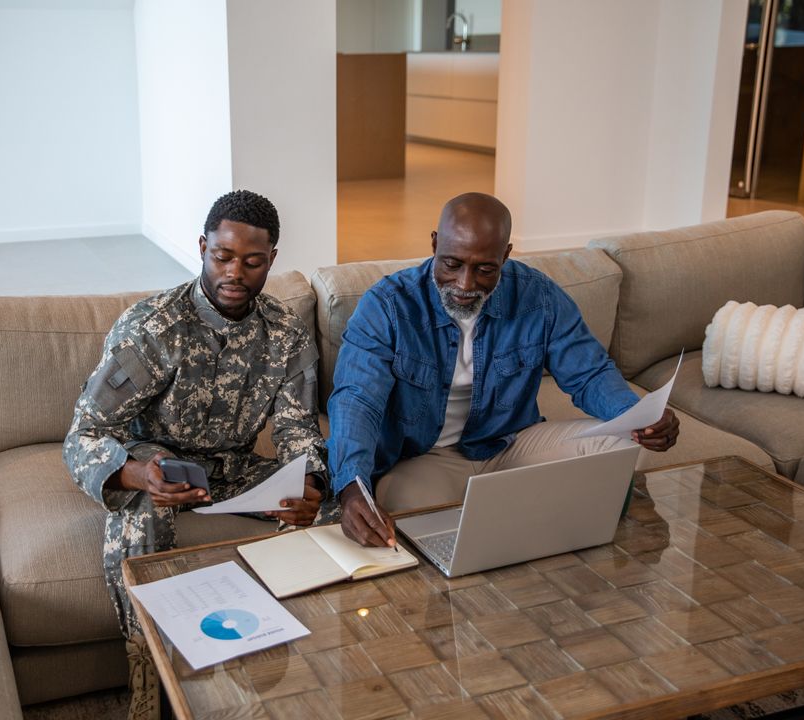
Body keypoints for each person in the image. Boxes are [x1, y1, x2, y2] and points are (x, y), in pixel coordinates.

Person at [64, 190, 334, 706]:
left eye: (253, 262)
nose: (235, 272)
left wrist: (311, 482)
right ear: (202, 248)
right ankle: (149, 682)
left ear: (271, 261)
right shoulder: (152, 329)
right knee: (139, 514)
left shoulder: (286, 334)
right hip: (155, 465)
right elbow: (86, 433)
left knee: (337, 508)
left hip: (232, 467)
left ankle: (308, 668)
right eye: (223, 257)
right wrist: (136, 474)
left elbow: (299, 428)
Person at [328, 192, 680, 548]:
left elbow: (588, 373)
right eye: (451, 264)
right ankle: (524, 525)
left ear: (506, 255)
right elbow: (357, 400)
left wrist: (639, 417)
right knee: (403, 510)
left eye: (485, 269)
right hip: (426, 460)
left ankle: (545, 538)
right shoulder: (387, 306)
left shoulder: (538, 297)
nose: (465, 285)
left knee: (622, 444)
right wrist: (350, 487)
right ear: (434, 244)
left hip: (508, 445)